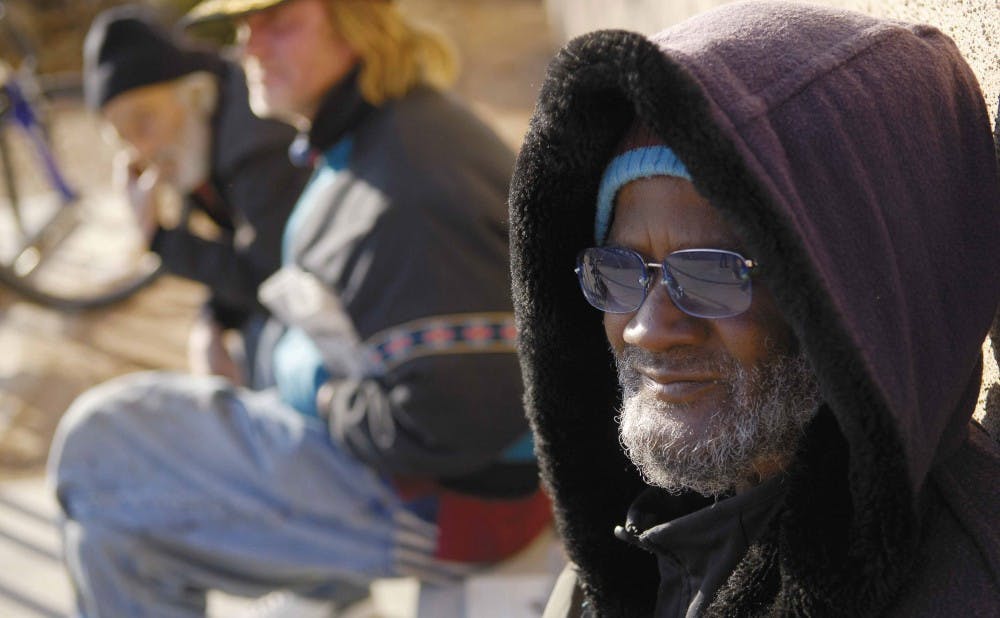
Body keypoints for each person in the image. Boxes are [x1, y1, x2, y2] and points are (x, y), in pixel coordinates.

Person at [49, 0, 550, 615]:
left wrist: (321, 394)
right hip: (416, 482)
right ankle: (334, 593)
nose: (248, 46)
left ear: (359, 20)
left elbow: (453, 417)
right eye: (242, 27)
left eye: (278, 21)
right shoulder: (373, 135)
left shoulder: (406, 187)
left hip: (453, 507)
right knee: (108, 539)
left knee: (102, 440)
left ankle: (331, 587)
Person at [508, 1, 1000, 615]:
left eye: (712, 274)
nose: (648, 328)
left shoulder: (969, 589)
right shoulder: (626, 560)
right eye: (620, 271)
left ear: (843, 303)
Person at [83, 4, 309, 385]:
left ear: (194, 95)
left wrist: (160, 238)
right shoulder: (205, 133)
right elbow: (245, 247)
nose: (140, 147)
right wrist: (212, 320)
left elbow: (267, 281)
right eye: (122, 136)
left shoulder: (255, 147)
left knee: (264, 352)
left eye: (143, 120)